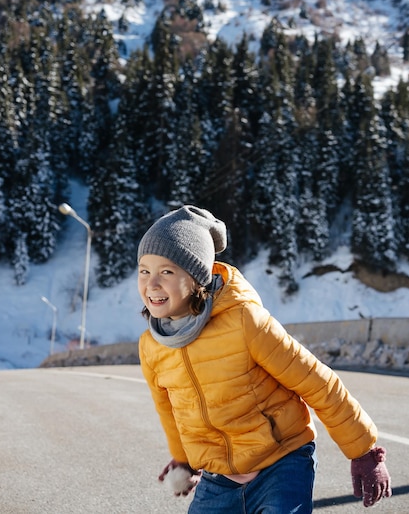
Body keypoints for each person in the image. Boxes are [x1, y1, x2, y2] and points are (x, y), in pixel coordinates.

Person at [137, 205, 392, 513]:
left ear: (196, 278)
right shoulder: (152, 346)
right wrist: (184, 460)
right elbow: (170, 411)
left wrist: (363, 450)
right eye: (144, 271)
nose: (152, 284)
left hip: (281, 462)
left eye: (167, 271)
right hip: (220, 478)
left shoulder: (245, 322)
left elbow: (317, 382)